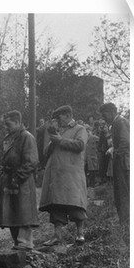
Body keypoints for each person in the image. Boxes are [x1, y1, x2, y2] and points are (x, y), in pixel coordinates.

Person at [39, 105, 89, 246]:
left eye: (59, 117)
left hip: (72, 174)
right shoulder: (58, 131)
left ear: (67, 115)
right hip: (57, 174)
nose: (57, 120)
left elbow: (80, 145)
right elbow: (46, 152)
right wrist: (54, 138)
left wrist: (60, 140)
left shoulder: (80, 129)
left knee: (75, 204)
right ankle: (57, 235)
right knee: (57, 205)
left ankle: (80, 234)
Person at [0, 110, 39, 250]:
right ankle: (17, 243)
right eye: (5, 125)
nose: (6, 127)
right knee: (11, 211)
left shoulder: (27, 137)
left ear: (18, 122)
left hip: (23, 180)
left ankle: (25, 243)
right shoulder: (9, 138)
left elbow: (31, 161)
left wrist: (18, 177)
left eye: (8, 124)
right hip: (9, 178)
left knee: (23, 211)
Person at [98, 102, 130, 226]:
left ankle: (125, 222)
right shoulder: (117, 123)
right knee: (121, 192)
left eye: (104, 115)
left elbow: (125, 142)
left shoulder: (120, 123)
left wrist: (115, 152)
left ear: (112, 112)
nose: (103, 118)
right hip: (121, 162)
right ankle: (124, 221)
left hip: (123, 163)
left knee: (123, 193)